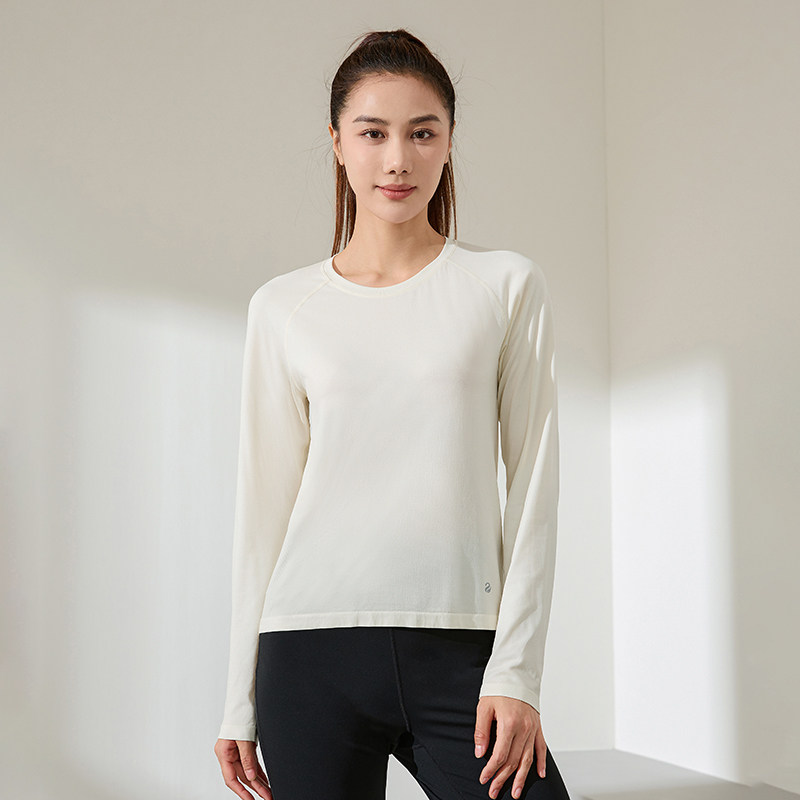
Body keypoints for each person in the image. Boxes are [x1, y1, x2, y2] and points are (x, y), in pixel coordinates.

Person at [213, 28, 571, 800]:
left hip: (462, 653)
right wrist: (238, 699)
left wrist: (516, 673)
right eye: (373, 133)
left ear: (449, 142)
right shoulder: (284, 307)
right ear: (337, 142)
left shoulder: (505, 287)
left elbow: (534, 490)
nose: (398, 159)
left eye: (422, 133)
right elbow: (262, 511)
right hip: (308, 657)